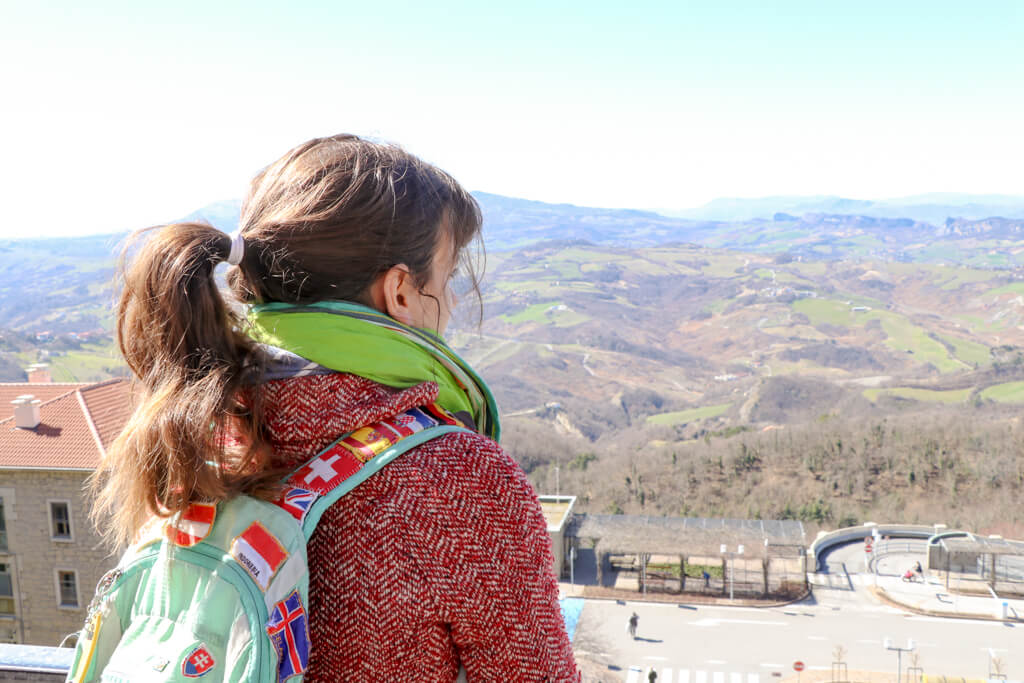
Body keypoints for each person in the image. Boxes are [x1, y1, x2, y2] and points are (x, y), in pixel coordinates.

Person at [90, 134, 580, 682]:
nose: (455, 300)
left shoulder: (194, 426)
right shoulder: (460, 479)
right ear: (399, 291)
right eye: (447, 276)